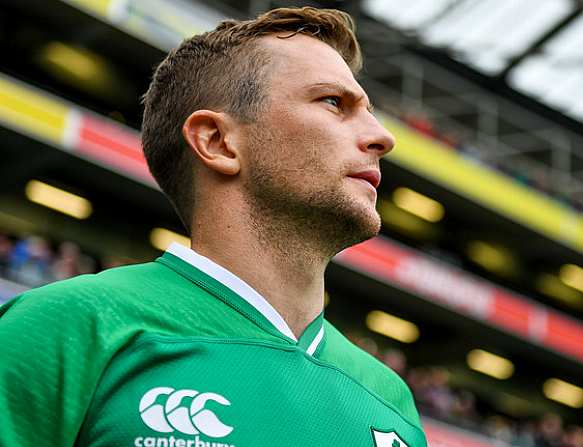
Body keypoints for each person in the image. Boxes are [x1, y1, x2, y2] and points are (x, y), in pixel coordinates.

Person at [0, 7, 426, 447]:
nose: (382, 136)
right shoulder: (66, 327)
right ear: (218, 142)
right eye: (334, 102)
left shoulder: (391, 399)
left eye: (369, 110)